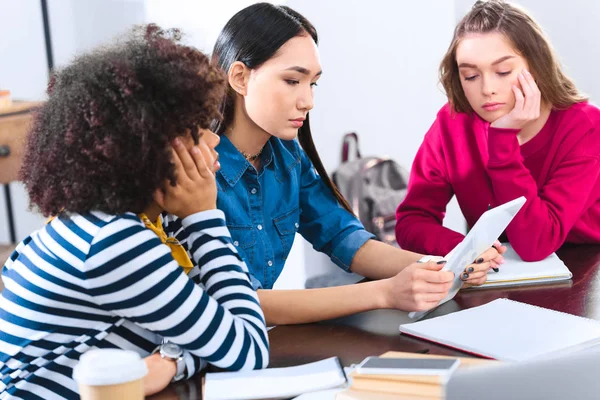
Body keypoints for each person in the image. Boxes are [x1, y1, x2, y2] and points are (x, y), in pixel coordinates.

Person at [164, 3, 500, 327]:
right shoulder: (194, 170)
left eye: (312, 83)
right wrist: (384, 293)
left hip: (255, 344)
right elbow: (242, 301)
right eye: (292, 81)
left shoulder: (289, 158)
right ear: (239, 77)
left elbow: (343, 237)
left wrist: (442, 267)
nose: (307, 101)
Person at [0, 25, 268, 399]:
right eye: (197, 130)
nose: (214, 140)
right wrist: (205, 218)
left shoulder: (119, 224)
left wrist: (171, 359)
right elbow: (249, 349)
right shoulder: (113, 242)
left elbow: (222, 323)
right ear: (147, 149)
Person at [396, 0, 600, 262]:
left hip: (587, 265)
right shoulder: (451, 123)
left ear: (536, 67)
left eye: (503, 71)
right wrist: (468, 248)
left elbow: (536, 243)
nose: (487, 89)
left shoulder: (585, 127)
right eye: (470, 76)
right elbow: (412, 221)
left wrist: (502, 139)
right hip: (499, 269)